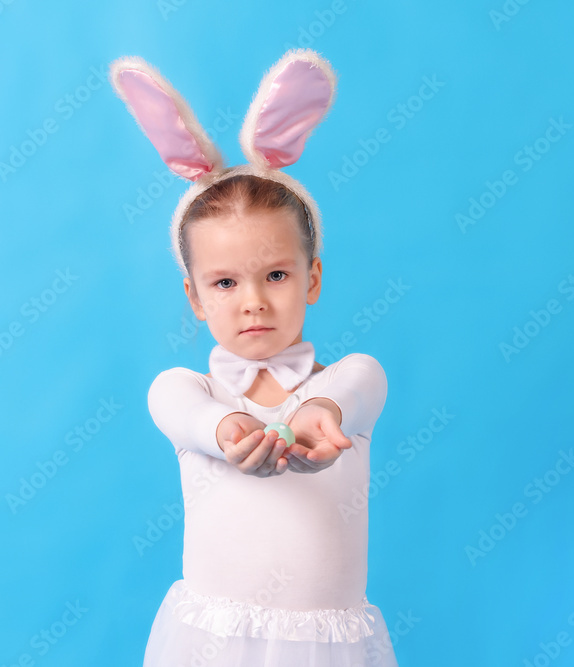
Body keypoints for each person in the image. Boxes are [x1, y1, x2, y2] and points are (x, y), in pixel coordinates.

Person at [110, 50, 399, 666]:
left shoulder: (355, 378)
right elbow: (188, 416)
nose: (254, 303)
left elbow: (346, 397)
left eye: (275, 274)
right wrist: (229, 431)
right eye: (224, 283)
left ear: (312, 278)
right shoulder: (184, 391)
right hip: (211, 646)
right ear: (193, 296)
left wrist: (315, 415)